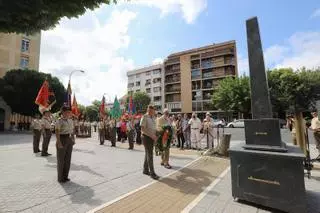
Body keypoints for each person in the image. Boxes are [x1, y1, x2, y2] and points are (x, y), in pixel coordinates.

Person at [55, 106, 75, 183]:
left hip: (69, 139)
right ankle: (60, 178)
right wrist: (58, 142)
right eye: (66, 112)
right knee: (61, 160)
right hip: (62, 139)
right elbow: (57, 131)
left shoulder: (70, 120)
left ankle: (65, 176)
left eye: (69, 112)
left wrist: (73, 139)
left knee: (67, 159)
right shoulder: (59, 121)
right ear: (62, 112)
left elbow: (72, 130)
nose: (68, 113)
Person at [141, 105, 159, 180]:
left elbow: (154, 128)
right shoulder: (145, 117)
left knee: (147, 154)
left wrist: (156, 135)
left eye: (152, 111)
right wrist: (152, 136)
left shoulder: (153, 118)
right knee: (150, 155)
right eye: (150, 111)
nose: (151, 112)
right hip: (146, 137)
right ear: (148, 110)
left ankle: (145, 170)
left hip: (152, 137)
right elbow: (143, 129)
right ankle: (152, 173)